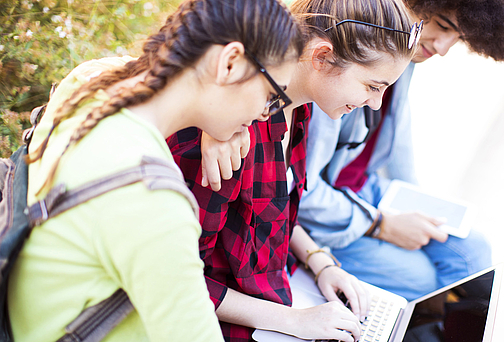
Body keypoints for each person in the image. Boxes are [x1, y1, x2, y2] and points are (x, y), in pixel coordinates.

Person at [7, 0, 304, 341]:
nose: (266, 115)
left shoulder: (89, 82)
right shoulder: (151, 199)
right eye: (270, 96)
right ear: (230, 63)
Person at [168, 0, 420, 340]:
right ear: (321, 56)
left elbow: (277, 210)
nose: (375, 104)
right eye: (372, 86)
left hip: (281, 294)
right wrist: (294, 321)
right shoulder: (226, 133)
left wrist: (321, 263)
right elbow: (175, 279)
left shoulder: (300, 111)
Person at [297, 0, 504, 300]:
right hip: (326, 208)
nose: (443, 47)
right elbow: (302, 193)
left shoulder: (406, 55)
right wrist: (382, 225)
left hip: (363, 189)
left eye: (458, 37)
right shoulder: (340, 71)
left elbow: (398, 132)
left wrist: (415, 204)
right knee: (422, 279)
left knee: (474, 250)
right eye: (443, 25)